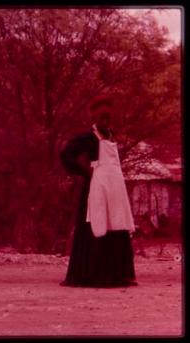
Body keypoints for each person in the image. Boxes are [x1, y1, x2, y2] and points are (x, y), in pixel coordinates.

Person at [59, 94, 137, 287]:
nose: (105, 121)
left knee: (117, 227)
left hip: (115, 189)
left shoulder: (112, 135)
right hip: (96, 189)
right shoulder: (88, 138)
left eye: (108, 118)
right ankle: (91, 275)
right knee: (95, 226)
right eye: (102, 117)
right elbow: (66, 153)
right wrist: (85, 172)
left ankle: (118, 274)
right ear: (95, 117)